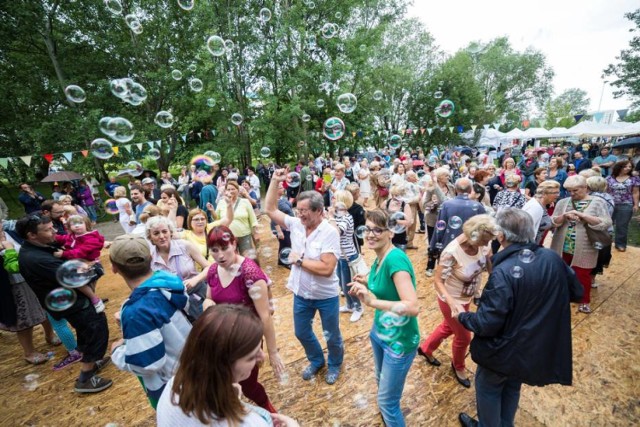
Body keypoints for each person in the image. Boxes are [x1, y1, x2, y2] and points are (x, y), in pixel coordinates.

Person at [456, 209, 584, 427]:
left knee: (489, 390)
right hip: (532, 347)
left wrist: (463, 316)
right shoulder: (551, 257)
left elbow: (487, 324)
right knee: (513, 385)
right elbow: (577, 292)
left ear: (501, 236)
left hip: (501, 351)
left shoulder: (504, 270)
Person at [157, 305, 299, 427]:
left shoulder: (173, 386)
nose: (262, 357)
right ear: (223, 367)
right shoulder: (248, 423)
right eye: (251, 357)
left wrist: (232, 397)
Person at [265, 168, 344, 385]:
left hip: (325, 295)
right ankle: (317, 360)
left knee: (331, 334)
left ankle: (335, 363)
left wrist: (298, 260)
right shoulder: (296, 225)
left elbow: (327, 268)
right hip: (301, 292)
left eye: (304, 211)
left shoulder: (329, 232)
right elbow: (269, 208)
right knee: (301, 332)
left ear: (319, 211)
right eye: (298, 210)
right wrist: (274, 181)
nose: (299, 214)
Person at [16, 215, 112, 393]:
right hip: (71, 302)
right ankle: (85, 378)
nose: (54, 231)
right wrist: (95, 270)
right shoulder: (36, 259)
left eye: (53, 227)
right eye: (48, 229)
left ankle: (92, 361)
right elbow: (73, 277)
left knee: (86, 330)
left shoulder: (40, 247)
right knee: (95, 328)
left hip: (69, 300)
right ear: (32, 235)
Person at [348, 209, 419, 427]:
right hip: (380, 333)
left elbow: (412, 306)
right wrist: (367, 282)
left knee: (388, 402)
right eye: (368, 229)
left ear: (391, 232)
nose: (370, 234)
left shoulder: (395, 259)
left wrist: (371, 301)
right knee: (380, 381)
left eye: (378, 230)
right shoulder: (380, 258)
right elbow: (387, 289)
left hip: (400, 342)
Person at [202, 226, 284, 413]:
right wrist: (207, 304)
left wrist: (272, 352)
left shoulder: (250, 273)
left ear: (234, 244)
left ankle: (269, 411)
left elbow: (265, 315)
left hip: (246, 339)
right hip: (223, 336)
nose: (220, 255)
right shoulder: (214, 270)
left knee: (247, 384)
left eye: (224, 248)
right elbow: (209, 297)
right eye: (214, 250)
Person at [109, 234, 191, 409]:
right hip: (195, 366)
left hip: (175, 390)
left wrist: (118, 351)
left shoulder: (137, 312)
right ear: (150, 258)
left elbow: (148, 363)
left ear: (114, 267)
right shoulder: (169, 283)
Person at [417, 215, 497, 389]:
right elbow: (438, 281)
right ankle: (458, 366)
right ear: (474, 236)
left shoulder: (484, 243)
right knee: (464, 336)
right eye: (485, 241)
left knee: (448, 327)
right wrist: (452, 302)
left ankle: (426, 349)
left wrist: (495, 277)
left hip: (467, 296)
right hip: (451, 299)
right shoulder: (452, 252)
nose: (487, 244)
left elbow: (489, 260)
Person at [551, 175, 612, 314]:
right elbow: (553, 221)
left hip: (585, 246)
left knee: (582, 274)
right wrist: (564, 216)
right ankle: (562, 297)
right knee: (561, 273)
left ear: (585, 187)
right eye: (569, 191)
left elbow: (605, 223)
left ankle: (584, 301)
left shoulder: (597, 202)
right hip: (562, 245)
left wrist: (583, 216)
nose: (572, 194)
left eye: (575, 190)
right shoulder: (563, 202)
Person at [0, 228, 59, 364]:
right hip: (12, 285)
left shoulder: (11, 231)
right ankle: (29, 352)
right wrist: (7, 249)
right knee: (24, 317)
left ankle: (50, 335)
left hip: (32, 277)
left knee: (44, 307)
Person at [146, 216, 210, 320]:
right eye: (156, 233)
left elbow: (209, 267)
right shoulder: (149, 256)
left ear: (170, 232)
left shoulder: (185, 246)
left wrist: (195, 279)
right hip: (171, 303)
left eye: (164, 231)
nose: (162, 236)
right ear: (150, 237)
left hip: (196, 296)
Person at [429, 178, 486, 275]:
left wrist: (433, 246)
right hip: (471, 247)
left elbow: (439, 228)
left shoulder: (446, 205)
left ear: (455, 189)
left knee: (447, 276)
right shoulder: (478, 206)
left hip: (449, 246)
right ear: (470, 190)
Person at [53, 215, 106, 313]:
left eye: (80, 223)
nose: (77, 226)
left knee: (77, 282)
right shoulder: (72, 236)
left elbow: (81, 251)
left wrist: (64, 253)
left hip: (92, 265)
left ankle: (95, 301)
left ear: (87, 224)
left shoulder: (91, 238)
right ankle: (93, 302)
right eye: (73, 224)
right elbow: (63, 238)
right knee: (87, 287)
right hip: (81, 265)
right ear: (69, 227)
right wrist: (53, 236)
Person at [329, 190, 364, 322]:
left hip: (348, 257)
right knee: (342, 285)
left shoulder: (346, 217)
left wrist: (331, 217)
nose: (332, 200)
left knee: (349, 285)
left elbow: (337, 232)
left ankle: (358, 308)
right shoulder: (338, 216)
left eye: (335, 198)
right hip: (340, 256)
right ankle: (349, 305)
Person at [422, 168, 455, 276]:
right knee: (433, 243)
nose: (448, 177)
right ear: (440, 177)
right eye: (446, 175)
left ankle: (443, 266)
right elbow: (425, 204)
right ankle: (430, 266)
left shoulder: (451, 187)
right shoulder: (431, 189)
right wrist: (433, 203)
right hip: (433, 219)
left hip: (448, 219)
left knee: (445, 243)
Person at [215, 181, 260, 255]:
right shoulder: (221, 203)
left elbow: (253, 220)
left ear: (238, 190)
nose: (230, 191)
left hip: (245, 236)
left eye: (233, 189)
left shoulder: (245, 202)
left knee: (247, 258)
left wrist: (256, 233)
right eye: (228, 189)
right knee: (232, 260)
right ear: (225, 191)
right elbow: (217, 220)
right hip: (228, 237)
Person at [586, 176, 614, 289]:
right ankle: (592, 280)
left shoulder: (592, 198)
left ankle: (586, 279)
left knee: (590, 255)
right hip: (606, 232)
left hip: (593, 231)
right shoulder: (608, 197)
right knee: (599, 256)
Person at [606, 160, 639, 252]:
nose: (628, 168)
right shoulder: (609, 178)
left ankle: (620, 244)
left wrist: (636, 204)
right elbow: (606, 191)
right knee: (607, 224)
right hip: (610, 204)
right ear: (619, 167)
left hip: (626, 204)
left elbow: (635, 192)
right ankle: (605, 243)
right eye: (625, 166)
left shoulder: (634, 178)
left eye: (630, 166)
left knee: (622, 225)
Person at [522, 181, 561, 245]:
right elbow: (525, 232)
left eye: (558, 192)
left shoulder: (541, 205)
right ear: (544, 194)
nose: (558, 195)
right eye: (555, 193)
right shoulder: (535, 207)